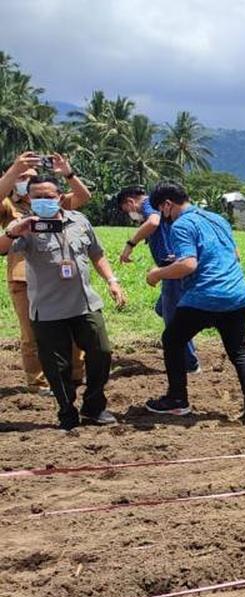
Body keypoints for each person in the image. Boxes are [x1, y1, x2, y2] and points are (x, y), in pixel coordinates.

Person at [1, 174, 126, 430]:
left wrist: (112, 281)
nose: (44, 201)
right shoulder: (26, 227)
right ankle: (66, 410)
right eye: (37, 197)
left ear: (60, 197)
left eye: (49, 196)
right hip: (47, 310)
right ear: (30, 199)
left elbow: (96, 253)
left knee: (101, 352)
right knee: (57, 366)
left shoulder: (78, 221)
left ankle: (93, 406)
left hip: (85, 304)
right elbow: (2, 249)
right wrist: (12, 232)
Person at [141, 181, 245, 424]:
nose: (161, 216)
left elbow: (188, 265)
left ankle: (178, 400)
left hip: (206, 295)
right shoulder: (217, 219)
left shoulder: (182, 224)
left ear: (167, 205)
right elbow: (236, 255)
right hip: (238, 296)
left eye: (160, 210)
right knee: (239, 352)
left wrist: (157, 273)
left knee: (172, 339)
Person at [0, 152, 89, 392]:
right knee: (31, 335)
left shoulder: (52, 200)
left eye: (29, 175)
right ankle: (37, 382)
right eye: (21, 176)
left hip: (61, 276)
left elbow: (83, 196)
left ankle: (75, 374)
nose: (24, 178)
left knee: (73, 329)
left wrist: (67, 172)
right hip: (24, 278)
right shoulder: (9, 206)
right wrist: (13, 170)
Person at [116, 187, 200, 373]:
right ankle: (188, 341)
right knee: (162, 309)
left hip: (172, 266)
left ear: (130, 202)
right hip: (172, 265)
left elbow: (153, 222)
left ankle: (189, 364)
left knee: (173, 320)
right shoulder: (155, 206)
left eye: (126, 209)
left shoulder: (148, 205)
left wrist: (130, 244)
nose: (131, 214)